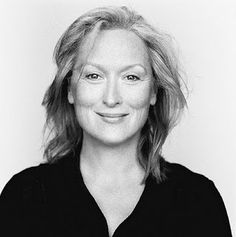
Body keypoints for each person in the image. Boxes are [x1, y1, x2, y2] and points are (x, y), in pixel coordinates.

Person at [0, 6, 232, 237]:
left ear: (153, 92)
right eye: (93, 76)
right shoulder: (24, 196)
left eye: (131, 77)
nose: (111, 98)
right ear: (70, 88)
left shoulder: (198, 200)